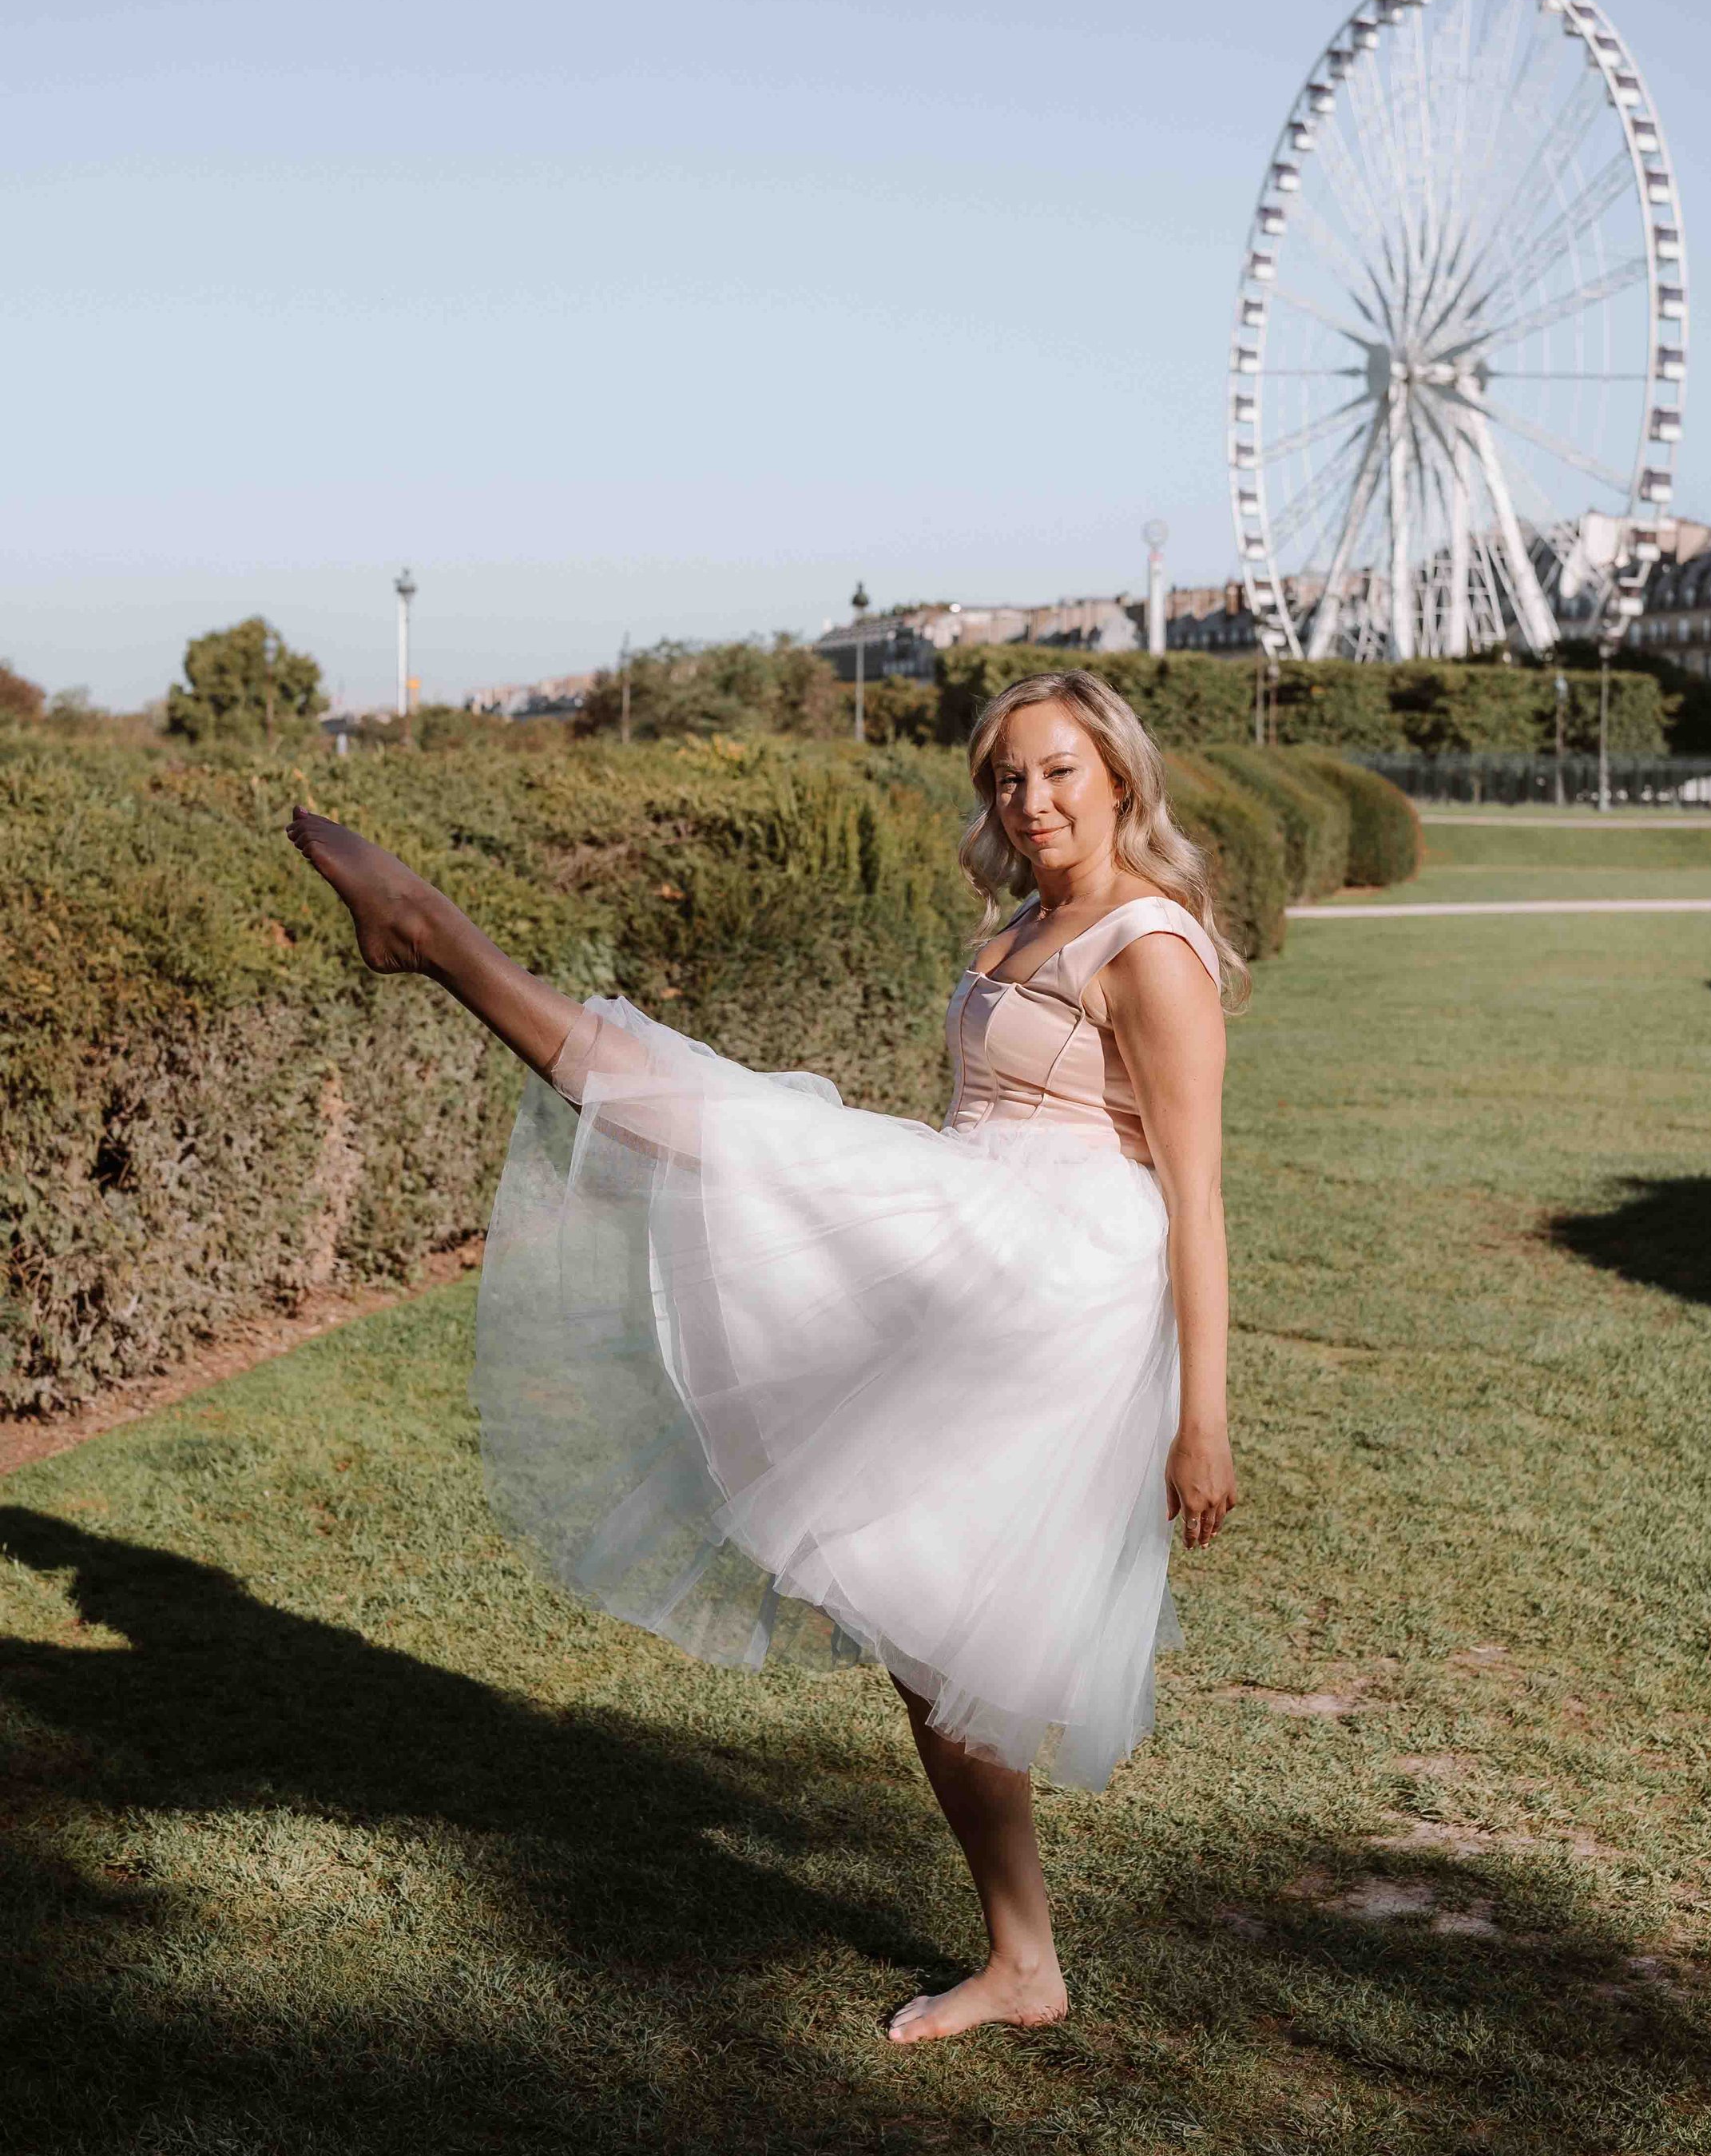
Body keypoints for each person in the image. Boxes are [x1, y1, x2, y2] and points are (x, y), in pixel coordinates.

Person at [288, 667, 1242, 2044]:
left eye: (1057, 773)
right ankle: (1025, 1960)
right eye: (1006, 779)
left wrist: (1199, 1415)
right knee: (927, 1628)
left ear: (1120, 777)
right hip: (976, 1227)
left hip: (1058, 1269)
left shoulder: (1149, 944)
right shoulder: (1029, 923)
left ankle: (439, 937)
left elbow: (1198, 1193)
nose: (1029, 801)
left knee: (745, 1138)